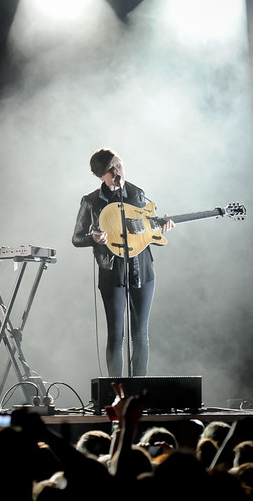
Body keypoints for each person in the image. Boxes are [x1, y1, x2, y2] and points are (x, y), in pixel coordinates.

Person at [71, 149, 173, 377]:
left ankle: (139, 391)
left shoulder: (138, 193)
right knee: (116, 334)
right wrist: (93, 238)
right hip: (111, 271)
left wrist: (160, 226)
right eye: (111, 169)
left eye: (118, 164)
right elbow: (76, 238)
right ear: (101, 176)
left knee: (140, 334)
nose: (117, 171)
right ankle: (115, 392)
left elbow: (146, 234)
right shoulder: (91, 201)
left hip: (142, 269)